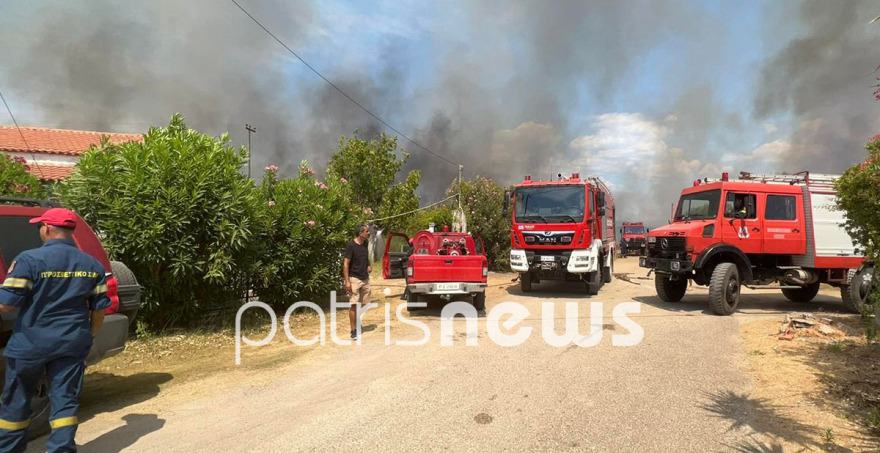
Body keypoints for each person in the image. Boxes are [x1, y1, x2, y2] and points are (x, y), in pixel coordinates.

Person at [0, 208, 110, 453]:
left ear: (47, 228)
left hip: (30, 344)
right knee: (65, 402)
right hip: (72, 342)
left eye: (39, 225)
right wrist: (89, 336)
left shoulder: (28, 260)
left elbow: (6, 305)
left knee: (16, 401)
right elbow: (100, 310)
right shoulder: (91, 264)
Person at [343, 225, 372, 340]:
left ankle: (357, 319)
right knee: (354, 304)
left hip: (365, 278)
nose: (368, 233)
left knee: (365, 303)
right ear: (360, 233)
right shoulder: (351, 245)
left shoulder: (364, 245)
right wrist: (347, 281)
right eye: (366, 231)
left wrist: (368, 265)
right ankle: (353, 330)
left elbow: (365, 258)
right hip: (354, 278)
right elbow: (346, 263)